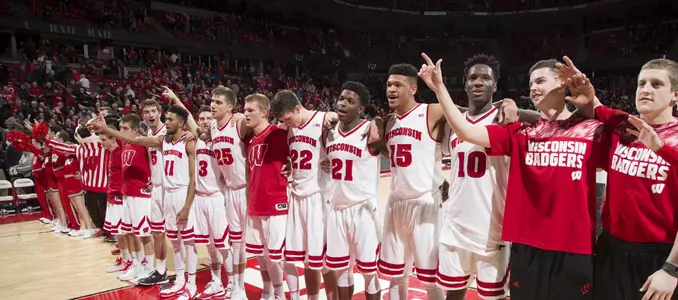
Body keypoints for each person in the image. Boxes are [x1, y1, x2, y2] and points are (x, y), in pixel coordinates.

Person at [418, 53, 604, 300]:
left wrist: (591, 103)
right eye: (531, 84)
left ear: (562, 82)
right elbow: (467, 131)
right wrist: (439, 88)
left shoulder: (587, 129)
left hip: (565, 243)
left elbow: (621, 133)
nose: (533, 88)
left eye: (539, 81)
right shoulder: (521, 133)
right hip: (524, 241)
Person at [563, 58, 678, 300]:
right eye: (641, 83)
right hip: (611, 250)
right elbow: (592, 105)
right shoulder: (623, 123)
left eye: (656, 84)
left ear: (675, 95)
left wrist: (672, 269)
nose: (646, 89)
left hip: (660, 256)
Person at [437, 54, 510, 300]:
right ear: (465, 84)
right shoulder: (452, 123)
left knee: (493, 297)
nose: (478, 82)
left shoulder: (505, 119)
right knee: (453, 295)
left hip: (491, 228)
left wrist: (509, 103)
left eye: (485, 78)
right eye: (473, 78)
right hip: (455, 225)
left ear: (495, 85)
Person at [270, 89, 339, 300]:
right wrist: (291, 164)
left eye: (288, 118)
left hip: (319, 198)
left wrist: (333, 117)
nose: (287, 123)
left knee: (326, 262)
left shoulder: (324, 121)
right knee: (309, 260)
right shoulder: (291, 129)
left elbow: (340, 122)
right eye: (283, 120)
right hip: (297, 198)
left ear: (298, 108)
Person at [323, 81, 382, 300]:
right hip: (337, 209)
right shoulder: (329, 132)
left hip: (363, 210)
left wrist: (379, 121)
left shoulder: (370, 130)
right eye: (341, 99)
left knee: (368, 272)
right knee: (341, 270)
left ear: (361, 108)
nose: (343, 104)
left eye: (351, 101)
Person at [90, 114, 155, 283]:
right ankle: (136, 265)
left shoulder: (143, 141)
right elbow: (108, 136)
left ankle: (149, 268)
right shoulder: (123, 144)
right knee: (130, 233)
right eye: (120, 128)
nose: (121, 132)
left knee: (144, 235)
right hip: (127, 194)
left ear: (134, 130)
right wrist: (103, 126)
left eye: (125, 129)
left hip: (141, 194)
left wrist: (107, 129)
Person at [243, 93, 294, 300]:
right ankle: (268, 293)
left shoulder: (280, 132)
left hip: (276, 202)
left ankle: (286, 295)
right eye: (245, 110)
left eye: (250, 110)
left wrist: (291, 164)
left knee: (277, 256)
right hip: (255, 203)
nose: (245, 114)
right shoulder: (249, 140)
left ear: (264, 112)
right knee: (262, 258)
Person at [207, 86, 250, 299]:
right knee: (237, 242)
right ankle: (237, 287)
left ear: (231, 107)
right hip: (231, 192)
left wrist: (243, 116)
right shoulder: (213, 127)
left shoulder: (239, 124)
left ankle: (271, 291)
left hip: (248, 190)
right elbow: (194, 129)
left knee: (260, 246)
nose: (213, 105)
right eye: (212, 101)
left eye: (218, 102)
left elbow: (263, 120)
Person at [136, 99, 170, 286]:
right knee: (157, 232)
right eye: (146, 112)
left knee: (178, 234)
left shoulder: (167, 131)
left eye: (153, 111)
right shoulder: (149, 132)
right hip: (156, 187)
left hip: (171, 188)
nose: (150, 115)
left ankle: (185, 274)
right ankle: (161, 270)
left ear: (160, 112)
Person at [99, 121, 133, 274]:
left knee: (124, 232)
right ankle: (125, 260)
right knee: (118, 233)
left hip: (120, 196)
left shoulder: (120, 151)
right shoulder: (111, 152)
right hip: (111, 196)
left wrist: (106, 125)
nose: (101, 143)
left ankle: (131, 261)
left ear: (113, 139)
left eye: (104, 139)